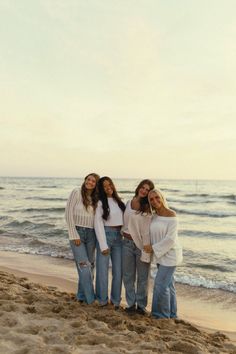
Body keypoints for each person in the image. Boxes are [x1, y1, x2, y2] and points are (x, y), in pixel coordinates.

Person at [147, 189, 183, 319]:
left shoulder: (171, 215)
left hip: (171, 255)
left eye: (157, 197)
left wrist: (153, 248)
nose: (155, 201)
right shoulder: (154, 216)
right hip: (160, 255)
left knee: (160, 285)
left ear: (162, 197)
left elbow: (170, 239)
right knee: (169, 285)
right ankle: (172, 314)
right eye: (151, 199)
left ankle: (160, 315)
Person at [65, 173, 100, 304]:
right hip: (78, 233)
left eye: (93, 181)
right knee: (84, 266)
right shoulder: (76, 192)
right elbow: (68, 214)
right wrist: (74, 234)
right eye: (88, 179)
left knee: (90, 266)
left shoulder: (95, 198)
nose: (90, 182)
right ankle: (91, 299)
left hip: (92, 235)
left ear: (96, 185)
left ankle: (81, 296)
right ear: (85, 180)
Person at [122, 179, 154, 315]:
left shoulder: (147, 207)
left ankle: (141, 306)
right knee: (128, 275)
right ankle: (130, 304)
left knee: (143, 277)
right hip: (126, 244)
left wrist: (147, 247)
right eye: (143, 187)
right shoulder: (129, 203)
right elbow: (124, 223)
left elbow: (147, 230)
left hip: (141, 245)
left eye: (147, 190)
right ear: (139, 187)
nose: (144, 191)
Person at [95, 176, 125, 309]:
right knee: (102, 270)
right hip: (105, 236)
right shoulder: (100, 203)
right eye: (105, 186)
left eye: (110, 184)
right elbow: (98, 223)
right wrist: (103, 244)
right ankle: (102, 300)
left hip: (119, 237)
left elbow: (125, 221)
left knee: (118, 271)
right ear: (101, 189)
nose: (108, 188)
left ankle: (116, 301)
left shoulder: (120, 201)